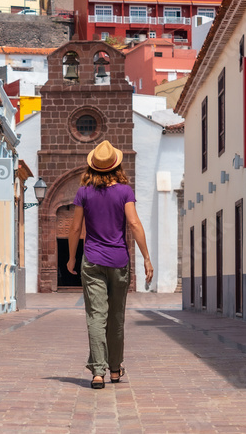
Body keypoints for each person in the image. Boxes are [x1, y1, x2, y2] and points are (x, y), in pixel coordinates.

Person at [66, 140, 153, 389]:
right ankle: (114, 370)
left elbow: (74, 228)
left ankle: (97, 372)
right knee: (116, 318)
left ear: (93, 166)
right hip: (119, 261)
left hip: (92, 260)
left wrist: (72, 257)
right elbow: (134, 224)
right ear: (116, 165)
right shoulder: (125, 191)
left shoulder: (83, 192)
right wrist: (146, 257)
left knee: (96, 316)